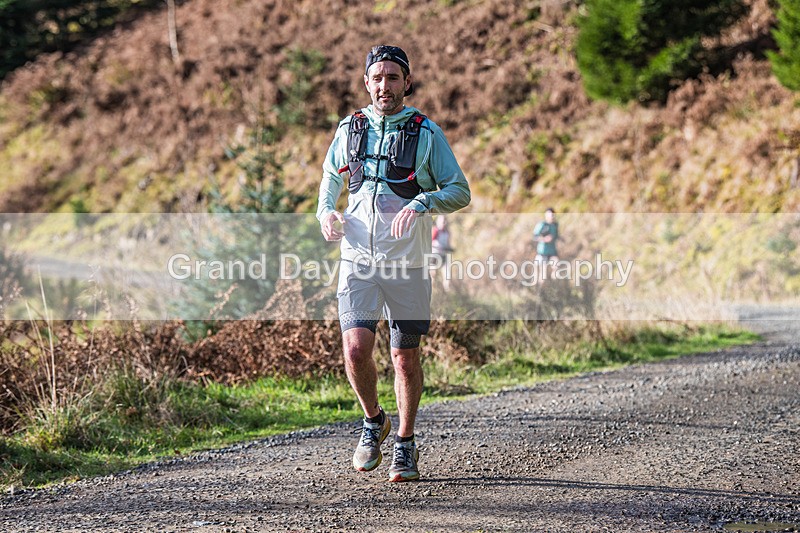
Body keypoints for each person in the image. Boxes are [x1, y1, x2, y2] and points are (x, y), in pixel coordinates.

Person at [317, 44, 470, 482]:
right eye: (377, 77)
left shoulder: (426, 132)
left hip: (408, 263)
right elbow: (329, 180)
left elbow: (459, 190)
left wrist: (423, 202)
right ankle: (372, 422)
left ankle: (404, 442)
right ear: (367, 83)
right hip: (357, 261)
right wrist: (326, 213)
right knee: (355, 348)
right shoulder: (350, 128)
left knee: (403, 357)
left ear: (407, 82)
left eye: (393, 77)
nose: (384, 85)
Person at [430, 216, 454, 290]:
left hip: (443, 255)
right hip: (434, 255)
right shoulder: (435, 231)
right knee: (433, 274)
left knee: (447, 274)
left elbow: (448, 244)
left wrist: (450, 248)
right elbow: (429, 242)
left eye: (444, 221)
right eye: (442, 222)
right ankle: (433, 291)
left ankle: (447, 291)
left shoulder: (447, 232)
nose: (443, 223)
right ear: (438, 222)